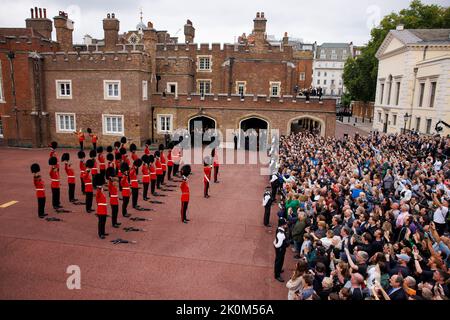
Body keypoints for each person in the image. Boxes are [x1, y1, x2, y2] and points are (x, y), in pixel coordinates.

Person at [274, 218, 289, 282]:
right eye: (285, 224)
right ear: (282, 225)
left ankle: (279, 269)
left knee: (281, 259)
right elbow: (279, 245)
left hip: (281, 249)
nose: (286, 225)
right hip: (280, 249)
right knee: (278, 261)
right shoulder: (281, 233)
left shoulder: (280, 229)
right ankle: (277, 275)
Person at [94, 174, 108, 239]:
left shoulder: (102, 193)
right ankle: (100, 234)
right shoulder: (98, 192)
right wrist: (99, 187)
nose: (102, 188)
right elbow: (98, 194)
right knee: (101, 222)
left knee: (104, 222)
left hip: (104, 210)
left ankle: (103, 232)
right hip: (101, 210)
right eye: (101, 187)